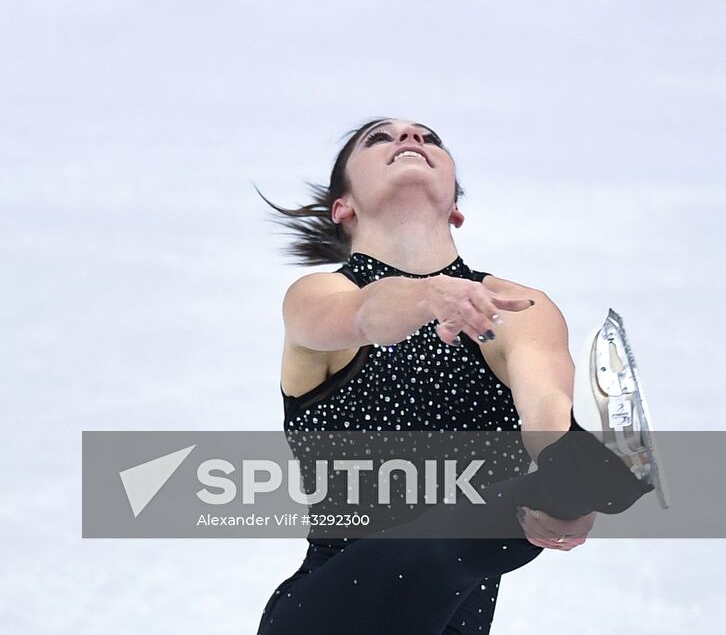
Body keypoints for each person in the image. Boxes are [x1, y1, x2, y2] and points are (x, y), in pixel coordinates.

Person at [255, 117, 664, 635]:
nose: (410, 140)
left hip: (454, 619)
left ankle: (564, 483)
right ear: (344, 207)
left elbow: (545, 406)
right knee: (443, 540)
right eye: (379, 138)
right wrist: (430, 294)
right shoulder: (317, 296)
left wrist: (562, 478)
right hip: (327, 609)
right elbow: (363, 315)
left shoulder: (517, 308)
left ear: (456, 207)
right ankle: (546, 492)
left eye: (429, 138)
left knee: (538, 485)